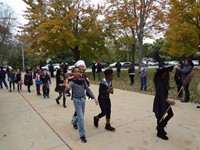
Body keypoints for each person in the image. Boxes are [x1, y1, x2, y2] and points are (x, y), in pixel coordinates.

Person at [65, 67, 98, 143]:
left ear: (80, 73)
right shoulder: (72, 82)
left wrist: (94, 98)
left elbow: (88, 90)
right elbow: (67, 90)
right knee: (81, 118)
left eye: (78, 72)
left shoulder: (83, 81)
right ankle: (82, 135)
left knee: (81, 115)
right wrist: (66, 88)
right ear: (73, 73)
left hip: (83, 100)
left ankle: (74, 122)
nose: (77, 73)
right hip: (76, 101)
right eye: (75, 72)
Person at [153, 64, 175, 140]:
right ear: (163, 73)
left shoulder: (163, 80)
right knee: (160, 117)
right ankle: (160, 132)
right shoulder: (160, 82)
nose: (169, 73)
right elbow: (161, 94)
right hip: (160, 101)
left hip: (164, 100)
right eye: (167, 72)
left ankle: (160, 127)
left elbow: (165, 88)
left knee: (170, 114)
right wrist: (168, 100)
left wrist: (171, 87)